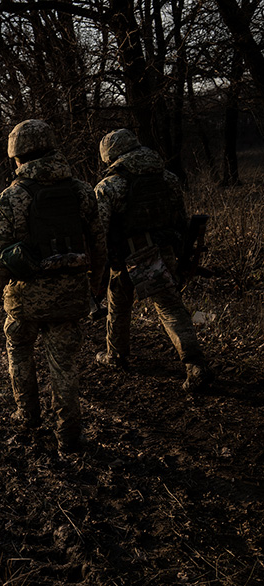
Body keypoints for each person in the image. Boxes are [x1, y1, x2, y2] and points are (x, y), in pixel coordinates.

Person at [0, 119, 106, 453]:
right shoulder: (82, 191)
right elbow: (99, 245)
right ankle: (69, 435)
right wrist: (95, 286)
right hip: (70, 297)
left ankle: (27, 415)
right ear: (52, 147)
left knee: (19, 351)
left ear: (16, 155)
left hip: (24, 300)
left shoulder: (9, 199)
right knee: (64, 367)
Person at [94, 128, 215, 392]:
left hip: (126, 256)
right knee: (168, 306)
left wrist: (97, 266)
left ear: (111, 155)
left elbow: (98, 231)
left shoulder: (108, 186)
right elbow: (181, 220)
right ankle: (195, 365)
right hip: (164, 252)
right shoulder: (168, 178)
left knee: (119, 302)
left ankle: (118, 356)